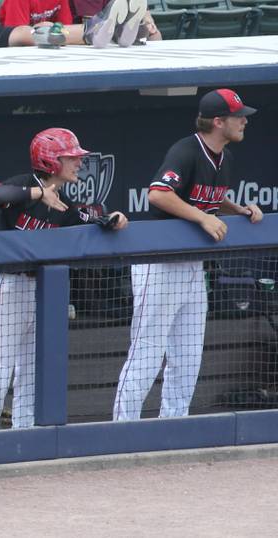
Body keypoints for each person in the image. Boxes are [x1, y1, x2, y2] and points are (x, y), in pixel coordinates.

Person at [113, 89, 262, 422]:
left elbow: (208, 198)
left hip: (192, 265)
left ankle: (174, 425)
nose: (244, 122)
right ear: (218, 121)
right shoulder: (186, 150)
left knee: (189, 354)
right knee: (148, 352)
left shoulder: (225, 157)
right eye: (238, 117)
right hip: (160, 262)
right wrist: (202, 217)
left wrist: (237, 209)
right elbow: (159, 194)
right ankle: (122, 428)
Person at [0, 128, 128, 432]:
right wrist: (38, 193)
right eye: (71, 158)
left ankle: (24, 432)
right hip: (10, 285)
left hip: (41, 289)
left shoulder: (64, 202)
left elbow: (91, 221)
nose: (78, 164)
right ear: (51, 160)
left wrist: (115, 219)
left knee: (31, 369)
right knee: (0, 369)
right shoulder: (24, 185)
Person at [0, 0, 148, 48]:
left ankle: (114, 31)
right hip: (28, 44)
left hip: (53, 43)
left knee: (52, 29)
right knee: (37, 31)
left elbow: (66, 27)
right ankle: (110, 30)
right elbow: (16, 33)